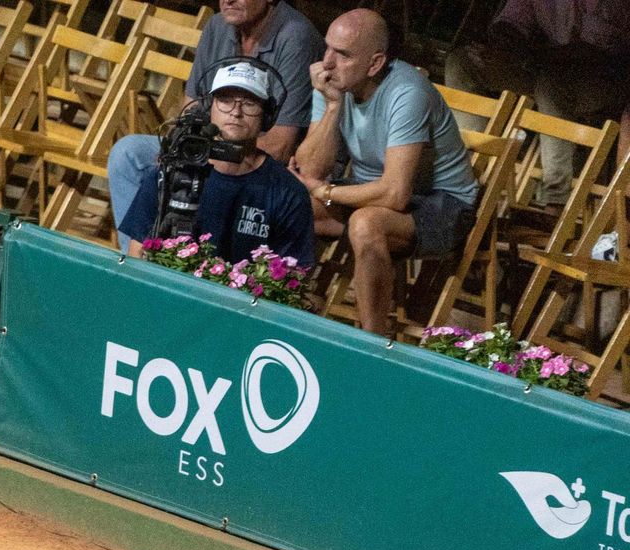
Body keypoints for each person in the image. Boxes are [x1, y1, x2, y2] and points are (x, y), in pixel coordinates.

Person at [290, 8, 480, 336]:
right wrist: (333, 107)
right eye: (328, 48)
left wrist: (326, 192)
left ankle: (373, 346)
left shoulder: (407, 92)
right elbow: (309, 168)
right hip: (372, 192)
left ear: (375, 63)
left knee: (366, 224)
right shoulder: (331, 82)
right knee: (290, 201)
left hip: (444, 204)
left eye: (343, 54)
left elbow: (395, 193)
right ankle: (288, 310)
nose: (328, 63)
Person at [108, 0, 323, 249]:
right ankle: (143, 262)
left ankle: (205, 264)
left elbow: (280, 144)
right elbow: (189, 113)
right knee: (128, 153)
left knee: (208, 178)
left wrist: (210, 156)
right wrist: (181, 148)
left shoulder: (296, 36)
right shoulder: (217, 25)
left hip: (267, 162)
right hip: (213, 147)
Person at [121, 60, 317, 267]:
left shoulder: (288, 192)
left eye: (249, 103)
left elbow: (292, 274)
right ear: (208, 108)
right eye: (225, 100)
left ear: (267, 116)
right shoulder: (171, 172)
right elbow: (137, 254)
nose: (236, 112)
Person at [444, 0, 630, 204]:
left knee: (552, 86)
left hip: (605, 77)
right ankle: (468, 172)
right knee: (462, 63)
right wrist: (500, 44)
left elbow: (593, 52)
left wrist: (530, 55)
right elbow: (511, 22)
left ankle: (555, 197)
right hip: (543, 65)